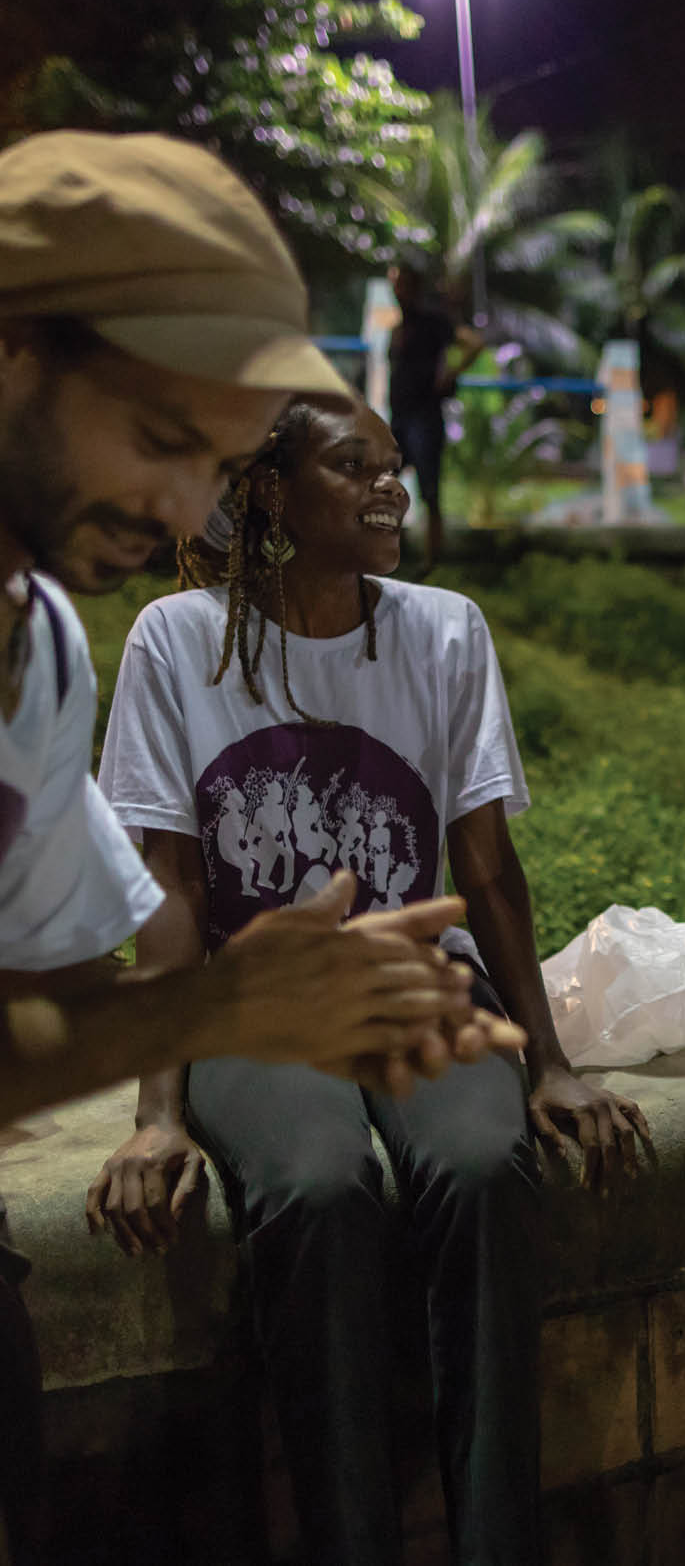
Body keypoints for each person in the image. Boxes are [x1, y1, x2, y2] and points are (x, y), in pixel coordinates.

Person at [0, 130, 504, 1562]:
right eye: (162, 440)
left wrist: (223, 1004)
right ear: (13, 346)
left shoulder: (39, 655)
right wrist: (212, 1028)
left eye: (212, 466)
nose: (181, 512)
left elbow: (31, 1017)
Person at [85, 393, 650, 1564]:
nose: (394, 487)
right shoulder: (180, 642)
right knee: (319, 1182)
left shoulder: (444, 632)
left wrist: (550, 1062)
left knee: (484, 1165)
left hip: (414, 989)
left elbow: (487, 870)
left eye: (395, 466)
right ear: (273, 492)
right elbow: (173, 890)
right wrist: (156, 1117)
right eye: (356, 467)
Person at [387, 262, 482, 574]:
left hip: (424, 417)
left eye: (400, 283)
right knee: (383, 486)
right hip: (400, 418)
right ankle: (389, 554)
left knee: (430, 491)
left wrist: (452, 373)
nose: (395, 289)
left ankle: (432, 562)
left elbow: (473, 343)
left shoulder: (433, 319)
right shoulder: (401, 325)